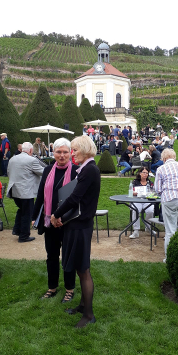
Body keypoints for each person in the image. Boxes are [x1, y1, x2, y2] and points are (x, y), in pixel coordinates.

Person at [50, 135, 101, 328]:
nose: (72, 154)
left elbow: (74, 198)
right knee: (81, 269)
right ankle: (82, 306)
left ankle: (89, 315)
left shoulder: (89, 170)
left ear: (85, 149)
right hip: (77, 224)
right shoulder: (87, 169)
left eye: (75, 150)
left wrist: (56, 215)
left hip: (80, 226)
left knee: (83, 270)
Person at [32, 138, 78, 302]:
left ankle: (69, 289)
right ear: (54, 153)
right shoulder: (47, 170)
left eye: (65, 152)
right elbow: (40, 195)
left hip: (68, 222)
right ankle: (52, 287)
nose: (62, 155)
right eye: (59, 152)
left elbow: (76, 198)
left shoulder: (76, 171)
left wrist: (63, 216)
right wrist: (34, 215)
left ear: (70, 153)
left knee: (67, 256)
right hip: (49, 222)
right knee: (51, 256)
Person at [7, 142, 44, 243]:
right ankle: (24, 236)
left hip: (14, 190)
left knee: (21, 210)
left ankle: (17, 229)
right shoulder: (32, 160)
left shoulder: (12, 159)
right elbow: (43, 172)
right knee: (27, 213)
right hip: (26, 191)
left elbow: (8, 172)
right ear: (31, 150)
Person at [129, 167, 155, 239]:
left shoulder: (150, 183)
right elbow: (131, 192)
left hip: (147, 201)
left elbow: (153, 193)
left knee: (150, 211)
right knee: (135, 209)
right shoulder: (135, 182)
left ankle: (148, 227)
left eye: (147, 173)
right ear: (140, 173)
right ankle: (136, 231)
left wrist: (150, 193)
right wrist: (135, 193)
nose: (145, 174)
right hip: (137, 200)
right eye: (144, 172)